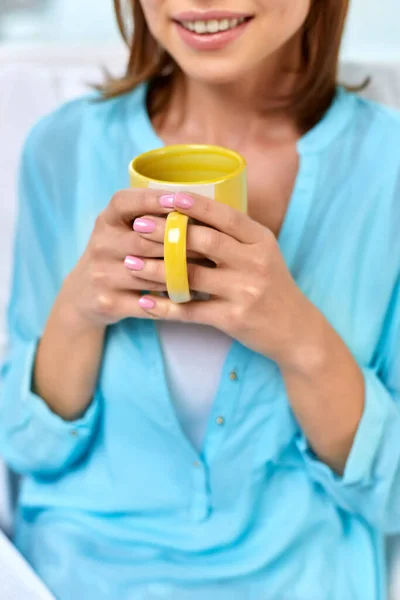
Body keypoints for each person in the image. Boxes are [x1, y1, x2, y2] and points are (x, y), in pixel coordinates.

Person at [0, 1, 399, 598]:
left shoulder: (385, 166)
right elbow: (26, 450)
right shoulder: (63, 147)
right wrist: (79, 310)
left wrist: (300, 338)